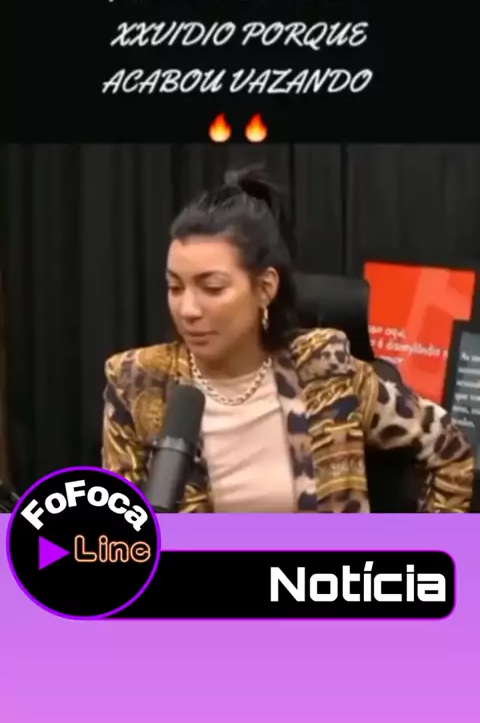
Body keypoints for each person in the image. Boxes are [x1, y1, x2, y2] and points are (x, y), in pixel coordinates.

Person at [101, 166, 475, 513]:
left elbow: (451, 450)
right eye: (175, 287)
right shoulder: (138, 382)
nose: (187, 309)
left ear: (265, 288)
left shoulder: (324, 369)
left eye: (212, 287)